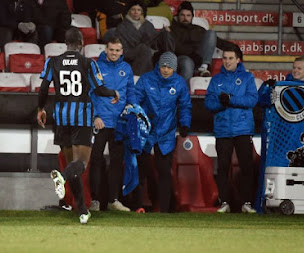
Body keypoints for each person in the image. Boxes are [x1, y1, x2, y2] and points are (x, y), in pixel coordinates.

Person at [37, 27, 120, 224]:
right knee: (80, 164)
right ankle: (62, 177)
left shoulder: (53, 61)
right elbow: (99, 89)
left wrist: (40, 108)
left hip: (61, 119)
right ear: (82, 43)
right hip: (81, 119)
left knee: (72, 164)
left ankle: (82, 210)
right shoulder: (87, 63)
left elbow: (42, 88)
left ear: (65, 43)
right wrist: (113, 93)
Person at [135, 51, 191, 212]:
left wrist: (185, 124)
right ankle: (140, 205)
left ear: (175, 68)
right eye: (163, 66)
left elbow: (185, 106)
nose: (165, 69)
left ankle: (165, 209)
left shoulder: (180, 83)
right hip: (145, 131)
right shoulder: (146, 79)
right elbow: (135, 100)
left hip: (166, 132)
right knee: (143, 171)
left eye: (169, 67)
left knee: (164, 171)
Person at [204, 45, 258, 213]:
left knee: (246, 167)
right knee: (222, 167)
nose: (227, 61)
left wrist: (231, 99)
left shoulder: (248, 78)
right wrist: (222, 102)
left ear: (238, 60)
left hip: (243, 128)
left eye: (230, 58)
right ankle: (224, 202)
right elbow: (208, 103)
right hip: (223, 129)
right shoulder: (216, 79)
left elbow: (252, 100)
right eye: (224, 58)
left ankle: (247, 203)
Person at [89, 37, 137, 212]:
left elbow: (131, 93)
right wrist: (95, 116)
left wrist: (131, 110)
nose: (114, 53)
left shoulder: (126, 69)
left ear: (122, 51)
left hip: (119, 123)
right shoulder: (96, 67)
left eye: (117, 50)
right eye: (111, 50)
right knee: (95, 160)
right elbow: (89, 93)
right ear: (106, 49)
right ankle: (95, 201)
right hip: (101, 121)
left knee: (117, 161)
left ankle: (113, 200)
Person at [169, 1, 235, 81]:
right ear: (178, 16)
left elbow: (218, 42)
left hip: (198, 59)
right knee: (187, 63)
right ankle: (183, 90)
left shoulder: (198, 29)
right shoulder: (172, 29)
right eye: (182, 15)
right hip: (182, 58)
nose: (185, 18)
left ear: (192, 17)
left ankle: (203, 67)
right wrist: (193, 54)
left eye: (188, 15)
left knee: (211, 33)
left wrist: (235, 48)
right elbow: (177, 48)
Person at [113, 0, 175, 76]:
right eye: (133, 9)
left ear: (142, 12)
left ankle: (170, 70)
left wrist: (164, 32)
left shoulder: (148, 24)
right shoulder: (121, 27)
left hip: (148, 53)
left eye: (139, 10)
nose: (136, 12)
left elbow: (154, 40)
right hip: (129, 53)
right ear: (129, 11)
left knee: (165, 36)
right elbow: (121, 48)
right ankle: (143, 77)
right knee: (143, 48)